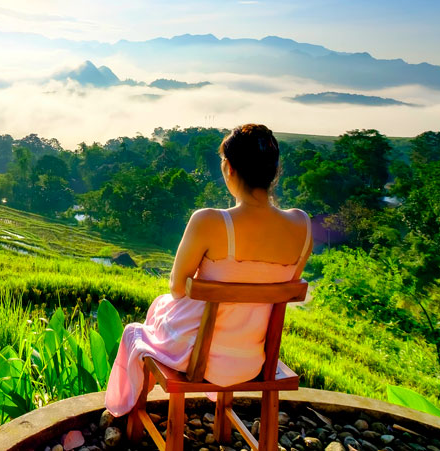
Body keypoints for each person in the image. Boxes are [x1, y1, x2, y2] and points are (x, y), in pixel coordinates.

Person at [103, 123, 312, 416]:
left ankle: (129, 413)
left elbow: (177, 288)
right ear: (274, 171)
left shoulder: (209, 222)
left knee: (141, 325)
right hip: (255, 360)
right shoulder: (302, 225)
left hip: (198, 358)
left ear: (228, 168)